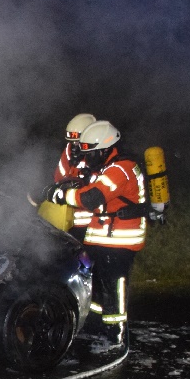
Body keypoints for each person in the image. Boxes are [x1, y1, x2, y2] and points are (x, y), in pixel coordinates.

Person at [43, 119, 146, 354]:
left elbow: (91, 198)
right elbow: (79, 184)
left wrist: (60, 196)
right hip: (102, 237)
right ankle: (96, 327)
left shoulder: (121, 169)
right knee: (98, 287)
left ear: (105, 149)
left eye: (91, 153)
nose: (87, 159)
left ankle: (116, 335)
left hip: (120, 240)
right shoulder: (107, 168)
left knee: (114, 287)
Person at [52, 113, 97, 242]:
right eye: (72, 141)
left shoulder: (99, 154)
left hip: (94, 221)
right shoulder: (70, 150)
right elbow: (59, 178)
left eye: (78, 141)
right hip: (70, 218)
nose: (75, 145)